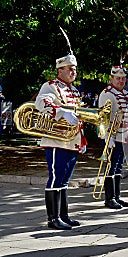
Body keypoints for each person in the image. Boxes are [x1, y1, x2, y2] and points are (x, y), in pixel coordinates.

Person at [35, 53, 83, 230]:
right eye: (70, 69)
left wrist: (82, 138)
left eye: (75, 69)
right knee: (55, 178)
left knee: (64, 180)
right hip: (56, 140)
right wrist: (61, 112)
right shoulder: (51, 86)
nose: (73, 72)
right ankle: (53, 218)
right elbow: (41, 103)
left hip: (71, 140)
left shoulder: (74, 90)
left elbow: (78, 116)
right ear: (60, 70)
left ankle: (63, 215)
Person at [98, 65, 128, 209]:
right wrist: (107, 138)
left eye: (123, 78)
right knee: (111, 167)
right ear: (112, 78)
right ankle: (109, 198)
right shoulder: (107, 93)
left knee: (119, 167)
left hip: (124, 136)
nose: (121, 81)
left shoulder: (126, 94)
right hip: (112, 137)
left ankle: (117, 196)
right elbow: (103, 119)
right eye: (118, 78)